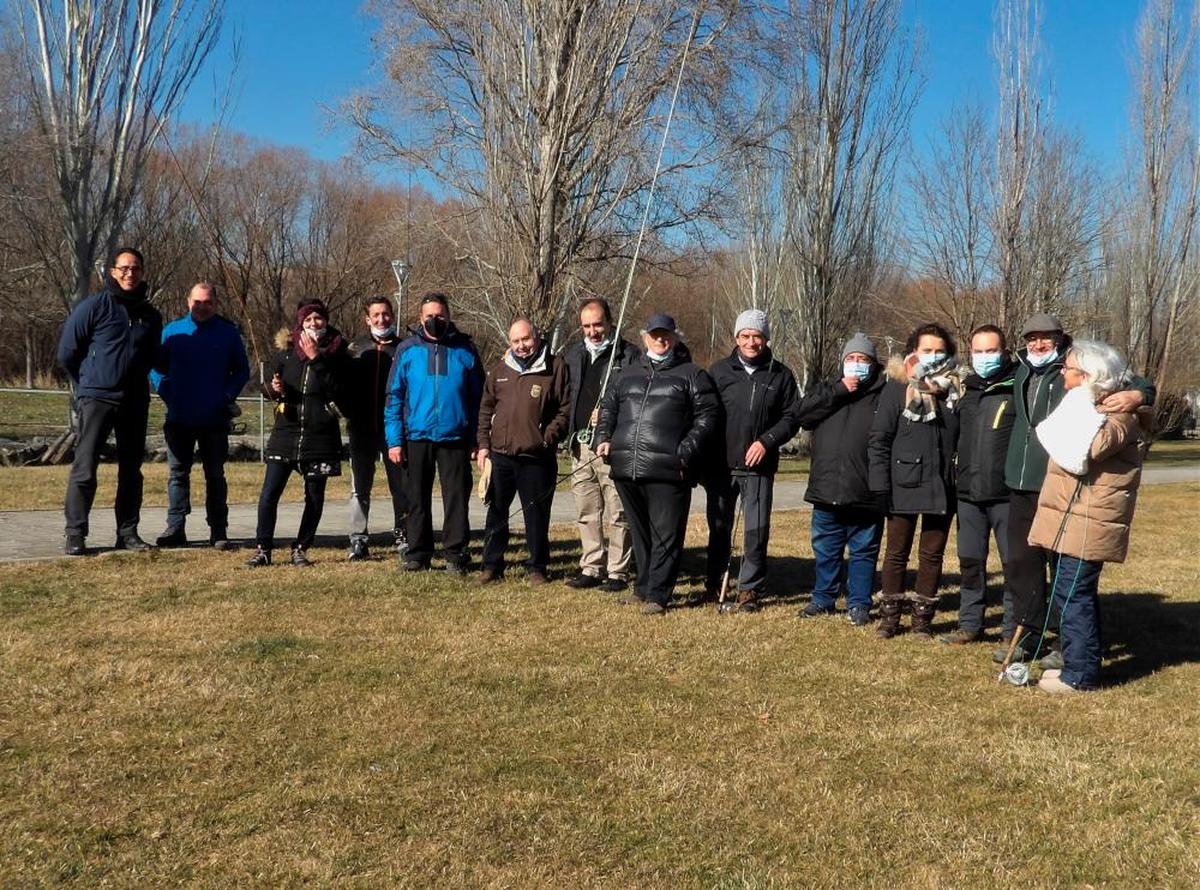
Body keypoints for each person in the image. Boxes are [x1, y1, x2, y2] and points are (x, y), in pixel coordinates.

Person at [1000, 312, 1154, 666]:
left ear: (1060, 339)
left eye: (1045, 337)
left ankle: (1068, 645)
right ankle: (1031, 636)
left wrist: (1137, 394)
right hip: (1021, 482)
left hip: (1062, 485)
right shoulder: (1021, 370)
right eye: (1030, 338)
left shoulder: (1087, 369)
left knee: (1067, 573)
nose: (1037, 344)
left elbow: (1135, 384)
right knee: (1023, 565)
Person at [594, 314, 718, 615]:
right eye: (654, 334)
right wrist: (603, 437)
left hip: (669, 469)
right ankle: (643, 587)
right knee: (640, 533)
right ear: (644, 336)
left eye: (665, 334)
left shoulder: (693, 374)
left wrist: (685, 450)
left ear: (675, 337)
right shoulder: (626, 374)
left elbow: (708, 417)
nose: (660, 339)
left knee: (666, 534)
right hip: (626, 467)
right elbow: (608, 408)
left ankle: (659, 594)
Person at [57, 246, 163, 555]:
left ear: (142, 273)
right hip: (98, 398)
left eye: (136, 269)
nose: (130, 274)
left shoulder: (150, 315)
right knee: (85, 467)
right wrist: (87, 384)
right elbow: (67, 353)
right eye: (124, 268)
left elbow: (154, 357)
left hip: (134, 401)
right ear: (113, 271)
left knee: (131, 470)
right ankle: (76, 534)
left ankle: (127, 532)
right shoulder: (94, 306)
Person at [703, 309, 801, 611]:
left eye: (757, 336)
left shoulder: (781, 374)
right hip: (721, 465)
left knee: (755, 530)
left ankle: (750, 589)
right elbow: (704, 414)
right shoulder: (718, 372)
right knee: (719, 526)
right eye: (745, 336)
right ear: (736, 338)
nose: (751, 342)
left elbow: (791, 417)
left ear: (766, 339)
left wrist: (766, 441)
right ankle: (715, 582)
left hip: (759, 466)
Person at [868, 323, 962, 640]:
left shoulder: (957, 389)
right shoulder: (896, 387)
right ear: (914, 352)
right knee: (896, 553)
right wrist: (879, 485)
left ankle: (922, 620)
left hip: (942, 483)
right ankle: (890, 619)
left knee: (932, 554)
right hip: (902, 483)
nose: (933, 356)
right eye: (927, 350)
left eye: (939, 351)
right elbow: (879, 439)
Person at [385, 293, 484, 574]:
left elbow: (479, 399)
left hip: (455, 437)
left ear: (449, 316)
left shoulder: (466, 350)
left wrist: (477, 438)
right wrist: (394, 440)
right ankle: (418, 553)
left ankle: (455, 553)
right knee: (416, 499)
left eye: (440, 315)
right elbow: (393, 397)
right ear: (420, 318)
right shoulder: (407, 350)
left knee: (455, 499)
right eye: (429, 316)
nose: (434, 320)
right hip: (416, 436)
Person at [794, 332, 889, 625]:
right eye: (852, 358)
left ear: (874, 364)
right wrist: (838, 390)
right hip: (826, 487)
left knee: (863, 551)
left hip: (866, 491)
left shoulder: (884, 394)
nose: (857, 364)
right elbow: (802, 414)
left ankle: (859, 603)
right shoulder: (828, 390)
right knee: (826, 548)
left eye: (863, 359)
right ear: (843, 362)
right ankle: (823, 598)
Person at [246, 301, 350, 567]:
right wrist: (274, 388)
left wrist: (316, 358)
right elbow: (267, 388)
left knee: (314, 497)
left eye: (318, 319)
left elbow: (340, 391)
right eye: (308, 319)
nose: (314, 324)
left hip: (321, 437)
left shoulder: (338, 353)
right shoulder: (285, 352)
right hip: (286, 433)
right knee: (269, 493)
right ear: (299, 323)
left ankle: (301, 547)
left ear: (326, 322)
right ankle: (263, 549)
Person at [150, 282, 250, 550]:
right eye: (197, 302)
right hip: (179, 417)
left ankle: (218, 530)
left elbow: (241, 370)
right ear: (188, 302)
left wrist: (226, 397)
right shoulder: (172, 332)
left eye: (207, 302)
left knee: (215, 475)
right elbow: (155, 368)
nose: (202, 307)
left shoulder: (228, 334)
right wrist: (168, 392)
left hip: (214, 418)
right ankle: (176, 527)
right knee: (177, 474)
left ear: (215, 303)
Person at [938, 324, 1017, 645]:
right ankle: (970, 625)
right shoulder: (966, 389)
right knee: (970, 562)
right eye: (978, 351)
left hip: (1007, 495)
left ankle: (1013, 629)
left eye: (991, 350)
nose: (984, 357)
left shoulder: (1018, 385)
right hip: (968, 494)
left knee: (1014, 566)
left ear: (1004, 352)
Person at [476, 318, 571, 583]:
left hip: (536, 458)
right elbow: (486, 409)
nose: (522, 346)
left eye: (526, 339)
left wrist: (546, 438)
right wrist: (484, 445)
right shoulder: (499, 370)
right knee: (496, 512)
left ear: (537, 337)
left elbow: (565, 410)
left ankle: (537, 567)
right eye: (516, 341)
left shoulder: (556, 367)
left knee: (536, 515)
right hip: (501, 455)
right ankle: (491, 566)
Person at [562, 296, 636, 591]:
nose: (593, 331)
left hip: (612, 446)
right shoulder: (574, 355)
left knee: (618, 513)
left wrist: (611, 414)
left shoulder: (628, 355)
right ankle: (592, 567)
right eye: (587, 326)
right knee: (587, 510)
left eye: (598, 324)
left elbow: (637, 400)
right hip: (581, 447)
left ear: (610, 322)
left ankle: (618, 572)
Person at [345, 296, 409, 561]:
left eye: (386, 314)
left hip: (395, 429)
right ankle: (358, 539)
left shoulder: (405, 347)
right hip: (361, 428)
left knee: (401, 485)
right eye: (376, 315)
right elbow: (341, 386)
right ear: (367, 319)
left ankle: (403, 535)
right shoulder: (355, 348)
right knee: (360, 486)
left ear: (392, 316)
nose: (381, 319)